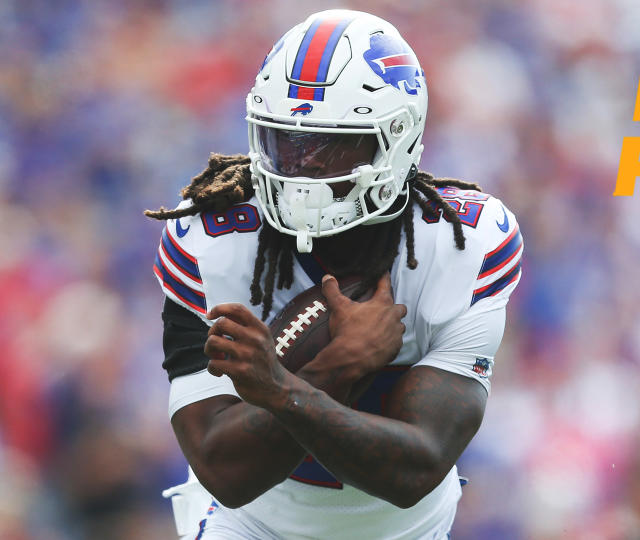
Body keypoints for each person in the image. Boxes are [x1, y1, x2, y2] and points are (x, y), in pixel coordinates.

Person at [146, 9, 523, 539]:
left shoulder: (463, 244)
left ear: (396, 140)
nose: (300, 167)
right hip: (251, 525)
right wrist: (333, 369)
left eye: (330, 146)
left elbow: (418, 465)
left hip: (404, 531)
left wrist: (281, 388)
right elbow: (223, 469)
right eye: (286, 142)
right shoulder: (211, 243)